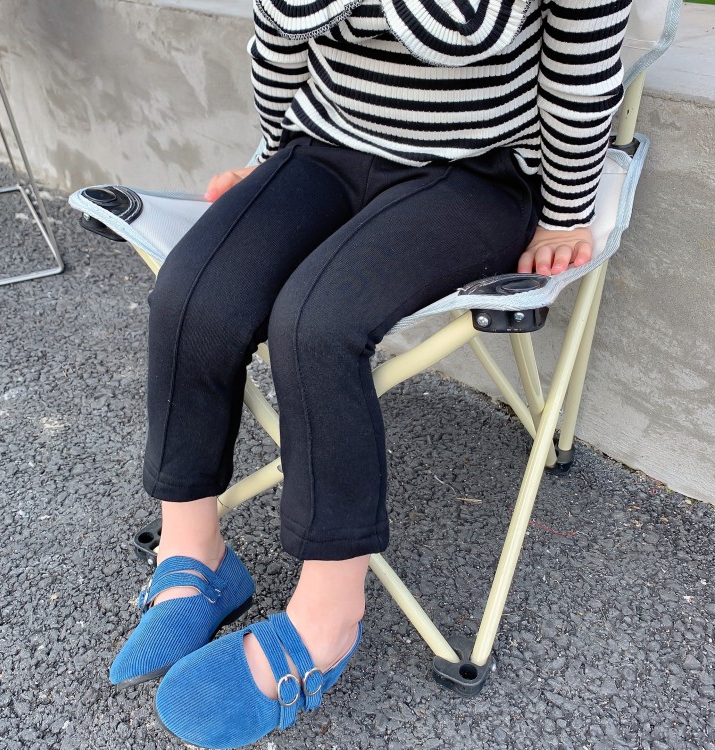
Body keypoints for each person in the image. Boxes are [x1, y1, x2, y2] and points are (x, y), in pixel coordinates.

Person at [110, 0, 631, 746]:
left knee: (316, 324)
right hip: (324, 144)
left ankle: (329, 617)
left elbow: (582, 60)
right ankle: (196, 552)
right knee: (194, 297)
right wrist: (270, 153)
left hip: (478, 169)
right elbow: (278, 30)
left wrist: (566, 209)